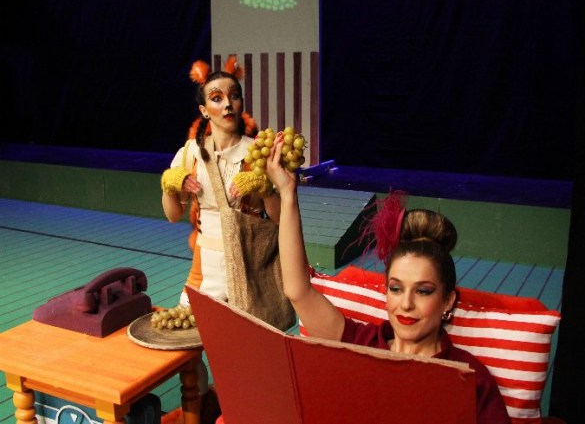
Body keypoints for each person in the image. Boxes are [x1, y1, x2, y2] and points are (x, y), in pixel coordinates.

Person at [265, 136, 511, 424]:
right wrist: (287, 193)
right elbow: (298, 291)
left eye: (423, 291)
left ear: (447, 301)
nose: (405, 304)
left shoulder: (470, 377)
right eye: (396, 288)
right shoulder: (362, 343)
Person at [160, 57, 281, 424]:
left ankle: (243, 414)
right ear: (204, 109)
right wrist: (170, 185)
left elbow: (280, 217)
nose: (227, 104)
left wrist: (265, 187)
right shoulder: (190, 153)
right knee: (190, 355)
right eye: (216, 98)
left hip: (247, 270)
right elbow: (172, 215)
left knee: (248, 361)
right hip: (203, 273)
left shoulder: (258, 152)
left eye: (234, 96)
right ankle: (199, 414)